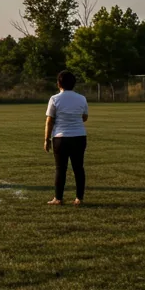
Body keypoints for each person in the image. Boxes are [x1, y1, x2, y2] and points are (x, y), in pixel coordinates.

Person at [43, 70, 89, 206]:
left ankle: (58, 198)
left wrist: (47, 139)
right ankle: (79, 198)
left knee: (60, 169)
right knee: (78, 168)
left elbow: (49, 121)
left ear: (58, 84)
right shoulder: (82, 98)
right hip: (79, 136)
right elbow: (85, 117)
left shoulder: (54, 99)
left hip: (61, 138)